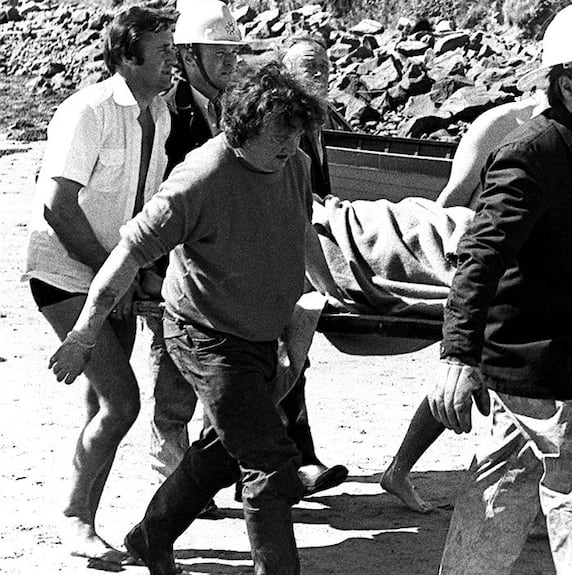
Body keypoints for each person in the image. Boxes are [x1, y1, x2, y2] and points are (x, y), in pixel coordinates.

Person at [48, 61, 345, 575]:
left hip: (260, 335)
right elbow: (127, 255)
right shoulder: (201, 178)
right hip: (205, 336)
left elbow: (301, 231)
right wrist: (82, 335)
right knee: (271, 464)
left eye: (298, 132)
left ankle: (151, 536)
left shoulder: (293, 164)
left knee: (225, 450)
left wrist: (331, 290)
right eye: (280, 134)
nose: (292, 144)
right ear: (244, 127)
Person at [427, 1, 572, 572]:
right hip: (530, 353)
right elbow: (481, 256)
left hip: (562, 349)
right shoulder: (530, 155)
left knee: (505, 485)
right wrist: (457, 355)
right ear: (568, 84)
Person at [379, 94, 572, 515]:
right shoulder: (499, 127)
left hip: (543, 280)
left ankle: (497, 498)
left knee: (513, 397)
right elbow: (451, 205)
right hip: (496, 269)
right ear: (566, 83)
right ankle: (402, 470)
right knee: (477, 376)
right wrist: (460, 269)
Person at [145, 0, 346, 503]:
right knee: (176, 395)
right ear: (188, 56)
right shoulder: (168, 112)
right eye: (219, 53)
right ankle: (177, 489)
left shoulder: (259, 109)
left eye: (234, 53)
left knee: (259, 387)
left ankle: (260, 473)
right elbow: (158, 201)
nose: (230, 62)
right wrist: (148, 275)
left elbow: (294, 201)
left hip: (245, 280)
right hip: (187, 281)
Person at [22, 6, 176, 565]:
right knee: (122, 402)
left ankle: (84, 516)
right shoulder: (86, 111)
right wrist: (116, 271)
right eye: (163, 51)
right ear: (128, 56)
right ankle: (74, 517)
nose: (174, 62)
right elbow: (57, 207)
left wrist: (136, 272)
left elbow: (144, 208)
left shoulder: (160, 112)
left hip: (115, 276)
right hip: (63, 272)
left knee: (100, 404)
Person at [281, 34, 352, 200]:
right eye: (310, 66)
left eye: (324, 67)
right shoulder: (282, 122)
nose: (319, 73)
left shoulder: (319, 117)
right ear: (287, 72)